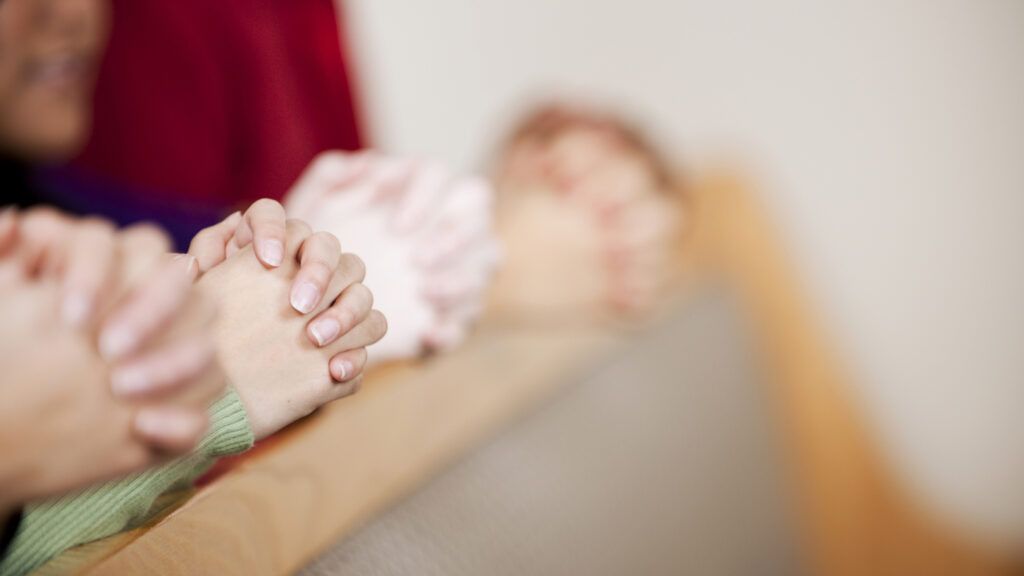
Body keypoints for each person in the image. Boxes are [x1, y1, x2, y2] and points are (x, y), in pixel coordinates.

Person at [0, 0, 385, 572]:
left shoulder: (76, 213)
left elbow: (266, 270)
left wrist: (276, 278)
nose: (72, 11)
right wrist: (203, 379)